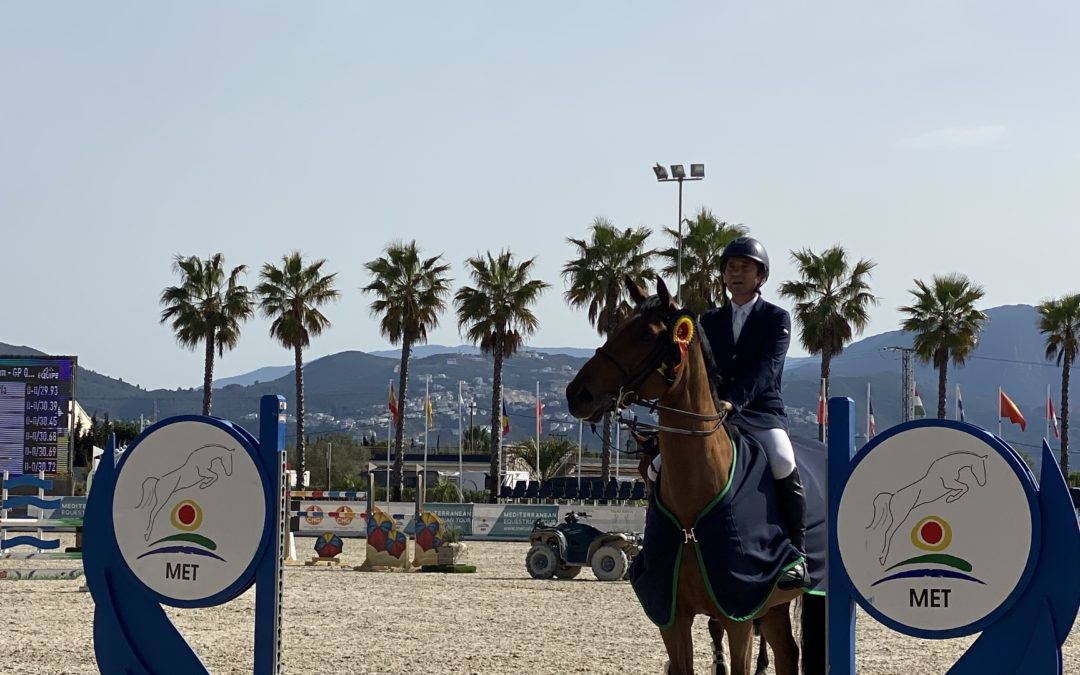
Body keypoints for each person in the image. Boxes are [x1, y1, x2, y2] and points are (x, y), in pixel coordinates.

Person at [698, 236, 808, 590]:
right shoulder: (709, 321)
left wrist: (732, 401)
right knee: (659, 466)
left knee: (781, 460)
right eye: (730, 267)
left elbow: (767, 368)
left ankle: (796, 555)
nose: (736, 273)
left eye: (744, 267)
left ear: (761, 276)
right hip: (714, 413)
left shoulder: (777, 318)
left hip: (761, 412)